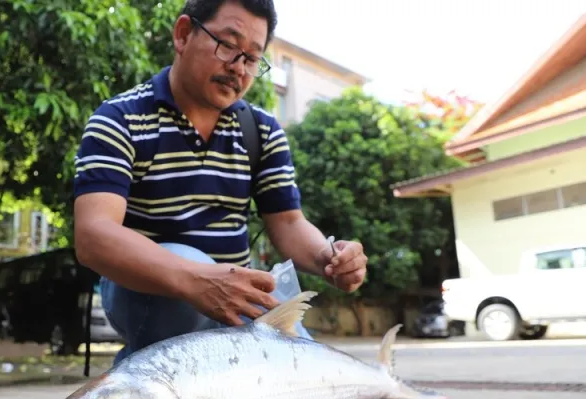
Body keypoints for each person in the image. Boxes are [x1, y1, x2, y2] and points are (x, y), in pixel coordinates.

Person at [72, 0, 367, 364]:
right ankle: (150, 376)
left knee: (310, 370)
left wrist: (328, 257)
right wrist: (198, 279)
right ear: (183, 34)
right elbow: (93, 235)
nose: (238, 69)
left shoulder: (261, 131)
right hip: (149, 294)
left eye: (251, 58)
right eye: (227, 45)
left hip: (236, 298)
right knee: (182, 261)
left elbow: (289, 222)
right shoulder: (120, 119)